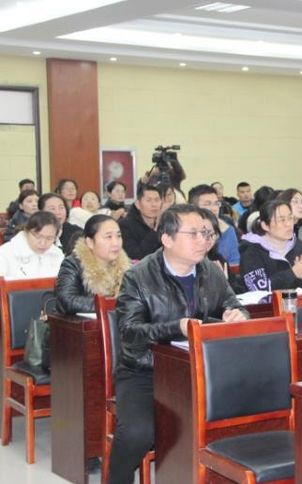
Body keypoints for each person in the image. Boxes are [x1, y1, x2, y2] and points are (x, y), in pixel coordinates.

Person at [109, 204, 248, 484]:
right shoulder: (138, 277)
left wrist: (237, 314)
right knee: (137, 432)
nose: (202, 240)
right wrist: (176, 328)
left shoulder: (210, 270)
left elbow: (233, 304)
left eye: (206, 233)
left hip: (200, 370)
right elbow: (129, 332)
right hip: (145, 371)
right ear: (167, 239)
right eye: (193, 233)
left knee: (245, 415)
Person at [55, 214, 130, 314]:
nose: (115, 243)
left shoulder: (126, 267)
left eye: (118, 236)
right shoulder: (73, 264)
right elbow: (67, 300)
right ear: (90, 242)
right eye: (108, 237)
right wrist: (110, 303)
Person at [239, 199, 302, 292]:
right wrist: (293, 273)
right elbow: (258, 289)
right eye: (282, 220)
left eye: (290, 218)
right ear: (265, 225)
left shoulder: (297, 244)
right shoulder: (252, 252)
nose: (288, 224)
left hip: (298, 300)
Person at [0, 211, 63, 278]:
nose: (43, 243)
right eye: (38, 236)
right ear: (26, 231)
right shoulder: (5, 253)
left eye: (49, 238)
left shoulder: (57, 254)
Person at [188, 184, 240, 265]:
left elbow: (235, 264)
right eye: (207, 204)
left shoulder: (227, 230)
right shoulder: (184, 231)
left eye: (216, 203)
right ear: (193, 207)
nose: (214, 209)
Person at [119, 184, 162, 260]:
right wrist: (155, 230)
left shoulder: (165, 222)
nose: (154, 204)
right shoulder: (125, 225)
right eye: (148, 200)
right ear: (138, 204)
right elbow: (136, 256)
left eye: (157, 200)